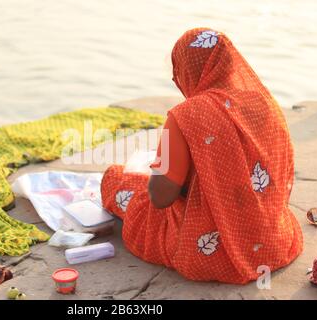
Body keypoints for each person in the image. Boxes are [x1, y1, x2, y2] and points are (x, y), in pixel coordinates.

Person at [101, 28, 303, 284]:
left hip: (204, 251)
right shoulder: (265, 103)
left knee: (116, 179)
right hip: (272, 243)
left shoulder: (186, 116)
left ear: (186, 70)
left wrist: (157, 170)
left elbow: (161, 197)